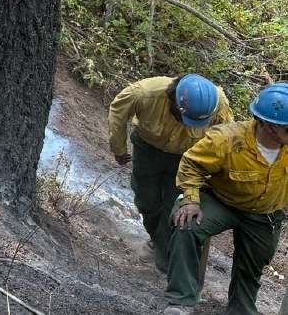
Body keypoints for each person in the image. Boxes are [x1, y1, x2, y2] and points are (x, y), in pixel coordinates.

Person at [162, 84, 288, 315]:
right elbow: (191, 163)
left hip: (265, 212)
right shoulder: (227, 139)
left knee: (252, 266)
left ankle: (240, 311)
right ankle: (181, 301)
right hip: (220, 200)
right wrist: (190, 199)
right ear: (269, 126)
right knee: (185, 225)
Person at [108, 74, 232, 272]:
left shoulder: (218, 102)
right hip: (148, 150)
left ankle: (164, 259)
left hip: (188, 159)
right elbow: (118, 113)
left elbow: (224, 137)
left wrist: (217, 172)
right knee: (146, 201)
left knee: (172, 209)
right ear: (174, 103)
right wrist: (119, 148)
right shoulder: (144, 93)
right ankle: (156, 239)